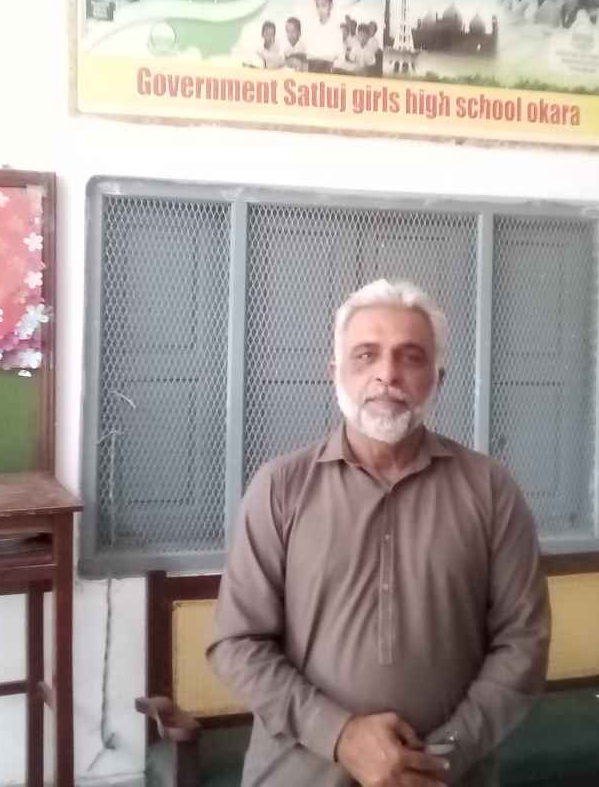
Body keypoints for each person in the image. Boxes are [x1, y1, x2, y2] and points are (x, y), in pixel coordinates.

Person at [208, 279, 550, 787]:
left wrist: (439, 759)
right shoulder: (279, 488)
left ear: (438, 378)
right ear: (335, 373)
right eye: (366, 355)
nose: (387, 374)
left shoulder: (491, 489)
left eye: (411, 357)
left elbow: (523, 643)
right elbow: (237, 643)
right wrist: (340, 736)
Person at [304, 0, 346, 72]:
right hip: (312, 68)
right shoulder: (311, 27)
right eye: (317, 5)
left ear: (331, 6)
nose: (320, 9)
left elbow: (340, 57)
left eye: (323, 5)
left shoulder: (336, 30)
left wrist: (330, 63)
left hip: (328, 70)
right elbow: (308, 53)